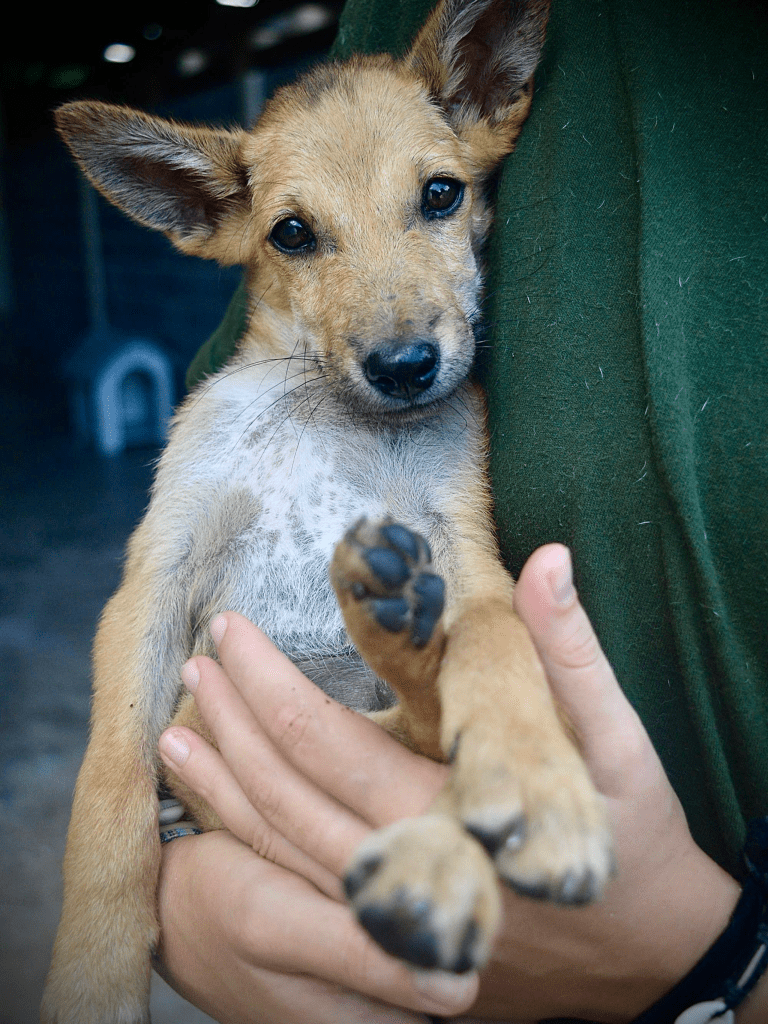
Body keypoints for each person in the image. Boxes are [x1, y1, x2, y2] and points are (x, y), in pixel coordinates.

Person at [153, 0, 768, 1020]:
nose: (399, 334)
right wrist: (178, 887)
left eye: (437, 197)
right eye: (307, 234)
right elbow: (212, 549)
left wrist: (712, 970)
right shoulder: (385, 56)